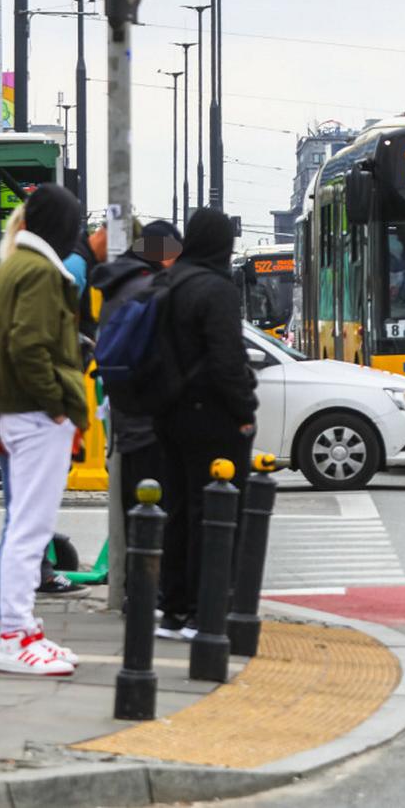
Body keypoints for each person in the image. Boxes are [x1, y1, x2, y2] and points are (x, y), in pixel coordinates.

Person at [0, 184, 88, 676]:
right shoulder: (43, 272)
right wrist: (58, 406)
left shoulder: (14, 267)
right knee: (31, 528)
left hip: (20, 412)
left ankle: (19, 630)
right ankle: (15, 635)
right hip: (36, 414)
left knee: (24, 527)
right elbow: (30, 347)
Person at [154, 208, 257, 640]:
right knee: (213, 513)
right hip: (211, 416)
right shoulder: (217, 289)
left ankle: (173, 609)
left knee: (177, 510)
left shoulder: (168, 282)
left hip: (167, 413)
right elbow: (227, 359)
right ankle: (203, 611)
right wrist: (244, 411)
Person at [92, 219, 182, 519]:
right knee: (152, 524)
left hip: (125, 422)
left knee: (137, 521)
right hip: (150, 427)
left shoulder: (118, 284)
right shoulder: (148, 289)